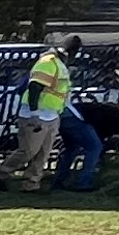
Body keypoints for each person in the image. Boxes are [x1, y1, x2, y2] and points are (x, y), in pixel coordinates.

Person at [28, 35, 103, 187]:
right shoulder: (51, 63)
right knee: (94, 146)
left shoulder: (55, 63)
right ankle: (83, 182)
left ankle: (60, 180)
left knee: (71, 147)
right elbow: (35, 87)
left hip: (57, 113)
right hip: (60, 113)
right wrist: (34, 112)